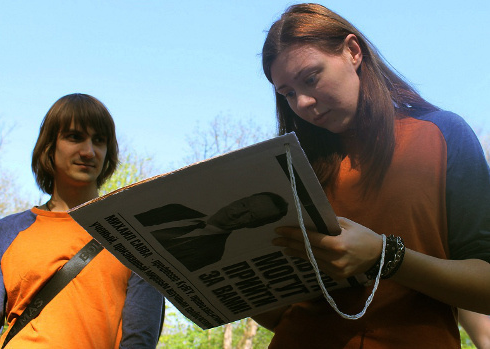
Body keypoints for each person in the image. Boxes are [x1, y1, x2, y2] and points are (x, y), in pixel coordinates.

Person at [254, 3, 490, 348]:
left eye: (311, 77)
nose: (302, 102)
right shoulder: (289, 167)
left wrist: (386, 257)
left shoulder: (441, 133)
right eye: (287, 93)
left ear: (352, 51)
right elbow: (280, 313)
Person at [0, 93, 164, 348]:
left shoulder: (134, 235)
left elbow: (140, 338)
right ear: (50, 146)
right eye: (75, 137)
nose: (89, 151)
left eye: (99, 141)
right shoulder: (2, 234)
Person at [135, 192, 289, 272]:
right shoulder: (175, 209)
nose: (237, 213)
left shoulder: (211, 255)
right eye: (243, 205)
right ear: (238, 199)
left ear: (253, 225)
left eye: (250, 215)